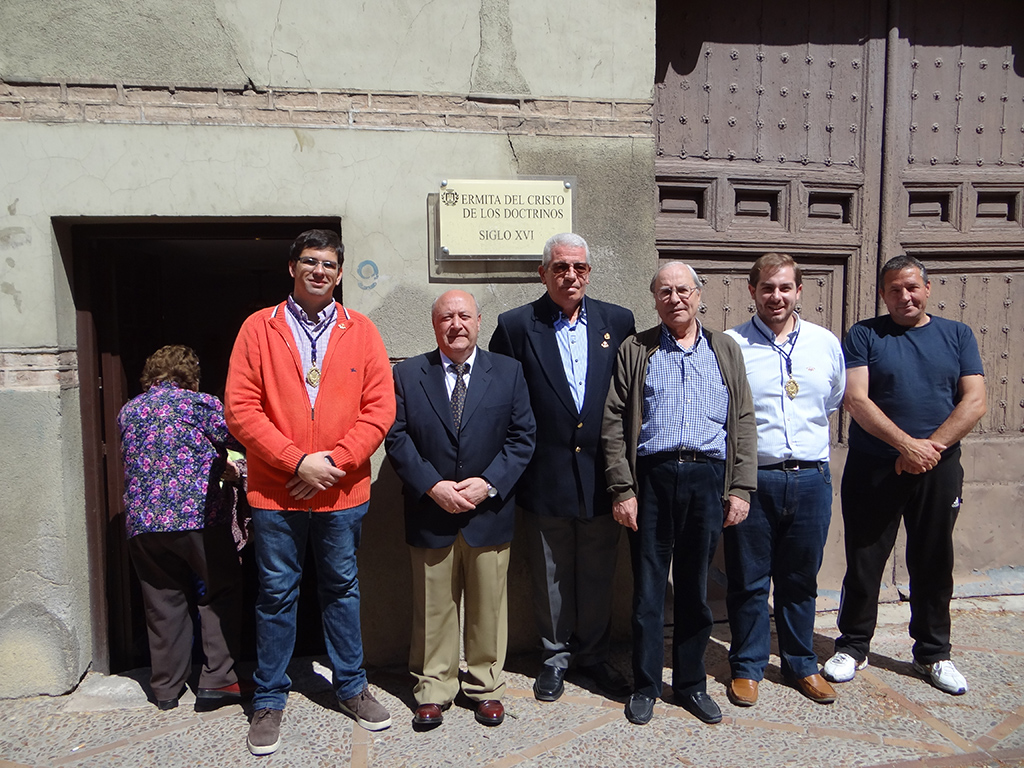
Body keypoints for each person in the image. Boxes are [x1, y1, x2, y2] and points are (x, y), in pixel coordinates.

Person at [225, 229, 396, 755]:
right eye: (309, 262)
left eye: (328, 264)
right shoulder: (259, 328)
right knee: (277, 594)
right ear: (292, 268)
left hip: (342, 493)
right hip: (278, 493)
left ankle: (350, 686)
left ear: (340, 274)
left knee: (342, 587)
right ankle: (269, 699)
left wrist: (334, 464)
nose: (319, 271)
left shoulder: (361, 329)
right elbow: (240, 408)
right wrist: (297, 461)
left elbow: (379, 410)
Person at [601, 262, 757, 726]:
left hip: (707, 478)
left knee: (694, 589)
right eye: (665, 291)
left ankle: (690, 684)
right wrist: (621, 487)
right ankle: (646, 685)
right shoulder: (636, 349)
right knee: (649, 590)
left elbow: (744, 420)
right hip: (652, 477)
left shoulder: (724, 348)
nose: (675, 298)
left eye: (683, 290)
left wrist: (741, 486)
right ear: (655, 299)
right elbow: (614, 421)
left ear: (699, 294)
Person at [823, 255, 986, 695]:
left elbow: (974, 402)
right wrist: (904, 446)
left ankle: (933, 654)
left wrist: (927, 451)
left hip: (938, 468)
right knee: (864, 558)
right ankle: (853, 646)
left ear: (928, 289)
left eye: (912, 287)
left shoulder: (957, 334)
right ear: (883, 294)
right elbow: (856, 399)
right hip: (875, 467)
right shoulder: (865, 334)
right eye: (894, 289)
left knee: (934, 561)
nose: (904, 296)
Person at [489, 232, 635, 702]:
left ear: (589, 272)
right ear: (543, 273)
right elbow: (502, 402)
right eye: (560, 267)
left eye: (579, 267)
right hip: (544, 474)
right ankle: (554, 658)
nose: (570, 275)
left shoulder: (619, 320)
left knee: (597, 571)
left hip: (601, 476)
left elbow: (629, 397)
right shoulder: (515, 326)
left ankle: (592, 655)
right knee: (550, 572)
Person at [385, 290, 535, 729]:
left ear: (479, 321)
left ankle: (485, 687)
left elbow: (523, 436)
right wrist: (432, 485)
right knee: (433, 608)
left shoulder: (508, 372)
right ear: (435, 325)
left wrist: (489, 483)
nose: (456, 324)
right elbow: (396, 437)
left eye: (464, 316)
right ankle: (434, 688)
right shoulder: (410, 373)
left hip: (488, 513)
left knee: (489, 608)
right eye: (446, 317)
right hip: (431, 513)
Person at [723, 253, 845, 707]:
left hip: (811, 478)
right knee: (749, 580)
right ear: (752, 292)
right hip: (755, 479)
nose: (776, 296)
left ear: (799, 291)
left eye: (785, 288)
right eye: (767, 288)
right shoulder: (732, 345)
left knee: (800, 579)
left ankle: (801, 663)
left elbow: (832, 399)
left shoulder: (824, 342)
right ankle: (748, 666)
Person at [117, 345, 244, 712]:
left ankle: (166, 689)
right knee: (219, 592)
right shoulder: (199, 403)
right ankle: (219, 681)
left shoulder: (129, 410)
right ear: (191, 375)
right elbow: (239, 439)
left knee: (163, 603)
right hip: (196, 519)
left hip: (143, 525)